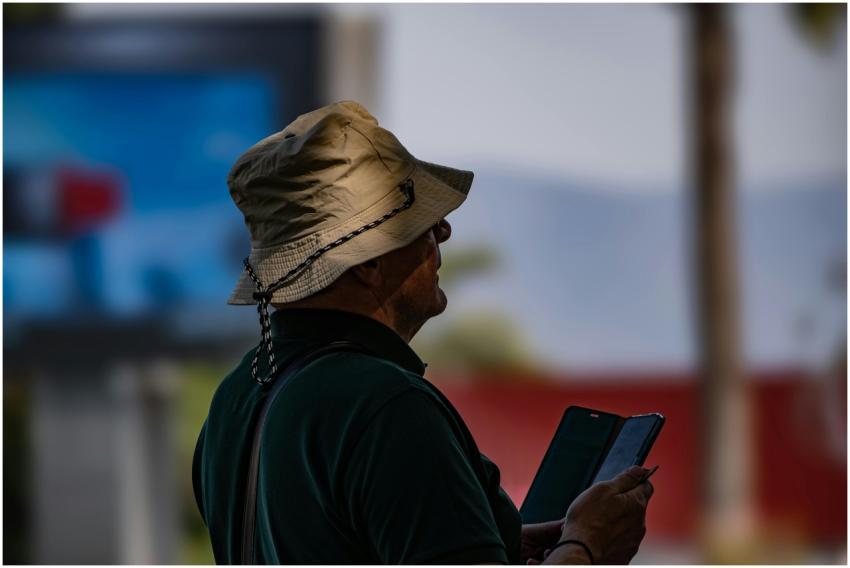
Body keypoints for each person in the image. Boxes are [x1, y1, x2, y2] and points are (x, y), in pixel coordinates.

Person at [192, 101, 654, 564]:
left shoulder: (235, 398)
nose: (444, 230)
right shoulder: (387, 406)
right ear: (369, 261)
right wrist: (588, 545)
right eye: (422, 222)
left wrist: (486, 539)